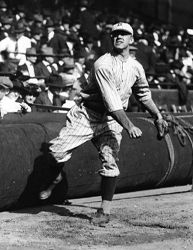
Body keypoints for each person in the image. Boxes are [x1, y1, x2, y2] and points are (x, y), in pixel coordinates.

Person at [39, 22, 168, 226]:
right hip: (88, 116)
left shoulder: (136, 66)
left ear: (131, 39)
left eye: (124, 33)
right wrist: (129, 126)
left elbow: (143, 94)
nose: (119, 37)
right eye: (115, 33)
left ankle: (104, 211)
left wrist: (158, 116)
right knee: (56, 152)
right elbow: (112, 101)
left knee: (110, 162)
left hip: (111, 121)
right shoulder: (103, 64)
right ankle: (56, 178)